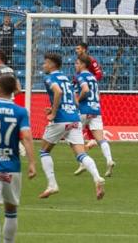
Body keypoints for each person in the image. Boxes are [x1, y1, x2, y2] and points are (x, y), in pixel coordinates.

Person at [38, 52, 105, 200]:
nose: (43, 65)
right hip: (74, 118)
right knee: (81, 154)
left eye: (45, 63)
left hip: (61, 119)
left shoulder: (49, 78)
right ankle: (97, 177)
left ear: (51, 64)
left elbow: (58, 92)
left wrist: (54, 112)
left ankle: (52, 185)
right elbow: (73, 101)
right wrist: (57, 108)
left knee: (44, 152)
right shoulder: (66, 79)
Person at [0, 75, 35, 243]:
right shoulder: (21, 111)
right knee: (11, 210)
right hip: (12, 167)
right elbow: (27, 137)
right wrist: (32, 163)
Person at [71, 54, 115, 179]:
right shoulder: (93, 78)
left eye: (77, 63)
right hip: (96, 110)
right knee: (101, 139)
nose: (75, 65)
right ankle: (109, 160)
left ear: (83, 65)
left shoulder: (79, 77)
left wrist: (78, 100)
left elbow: (84, 90)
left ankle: (82, 162)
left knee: (73, 138)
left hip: (84, 110)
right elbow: (98, 95)